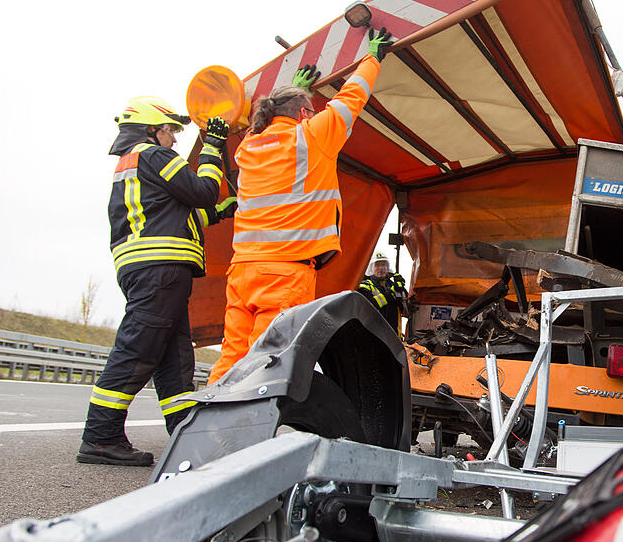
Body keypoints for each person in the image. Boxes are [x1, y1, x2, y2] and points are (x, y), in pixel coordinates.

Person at [207, 28, 394, 383]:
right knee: (268, 365)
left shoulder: (249, 147)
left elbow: (267, 119)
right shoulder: (310, 137)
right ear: (306, 113)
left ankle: (210, 427)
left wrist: (294, 85)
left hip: (243, 272)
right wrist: (373, 57)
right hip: (284, 273)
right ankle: (246, 434)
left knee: (233, 357)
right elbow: (351, 98)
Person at [77, 98, 236, 466]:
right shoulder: (152, 155)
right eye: (171, 132)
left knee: (174, 357)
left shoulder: (135, 163)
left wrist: (214, 215)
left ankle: (184, 430)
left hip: (152, 268)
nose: (175, 141)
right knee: (138, 349)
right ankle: (100, 437)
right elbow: (202, 190)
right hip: (159, 269)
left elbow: (170, 211)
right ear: (152, 130)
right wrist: (212, 146)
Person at [357, 251, 409, 336]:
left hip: (395, 338)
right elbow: (369, 306)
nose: (381, 268)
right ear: (371, 268)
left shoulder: (393, 286)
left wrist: (402, 289)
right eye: (377, 265)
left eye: (384, 265)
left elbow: (407, 309)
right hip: (373, 338)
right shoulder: (364, 286)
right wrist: (391, 294)